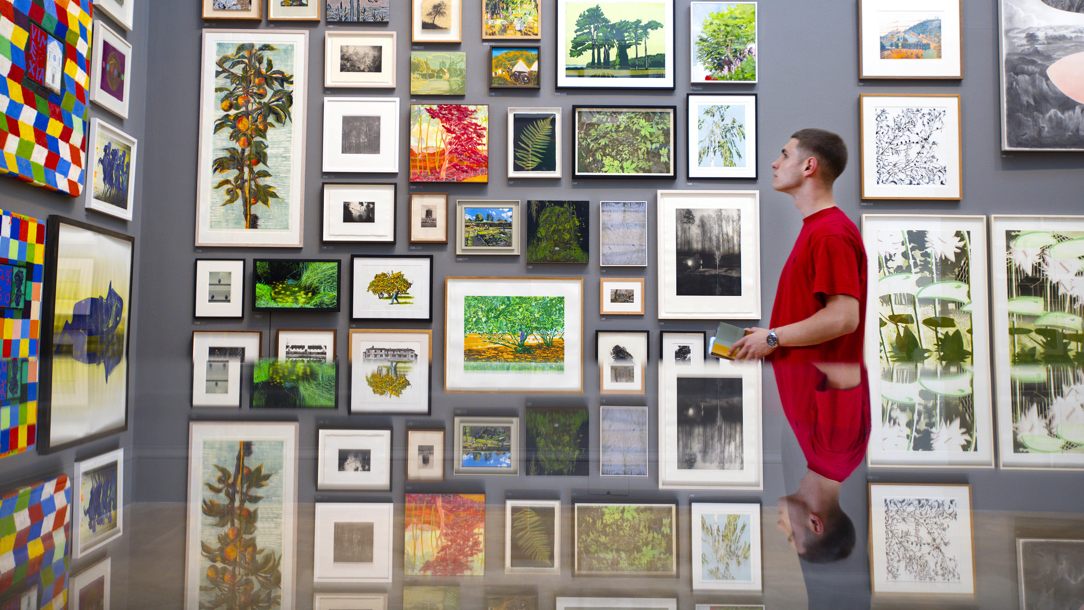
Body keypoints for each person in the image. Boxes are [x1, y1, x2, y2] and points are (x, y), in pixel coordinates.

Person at [732, 128, 870, 563]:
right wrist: (769, 339)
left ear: (809, 167)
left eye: (784, 153)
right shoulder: (832, 450)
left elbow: (845, 316)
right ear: (814, 524)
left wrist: (773, 338)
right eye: (790, 537)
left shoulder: (828, 233)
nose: (775, 162)